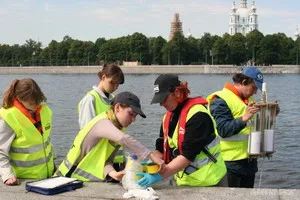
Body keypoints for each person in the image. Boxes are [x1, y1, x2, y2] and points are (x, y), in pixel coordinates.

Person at [136, 74, 227, 188]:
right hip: (183, 180)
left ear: (177, 93)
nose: (161, 104)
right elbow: (161, 149)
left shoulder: (198, 116)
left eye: (164, 99)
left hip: (210, 181)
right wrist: (152, 161)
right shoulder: (167, 117)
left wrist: (159, 175)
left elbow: (187, 156)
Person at [55, 91, 164, 182]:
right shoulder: (103, 123)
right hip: (65, 177)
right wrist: (151, 156)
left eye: (135, 116)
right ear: (117, 107)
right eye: (130, 114)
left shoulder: (117, 128)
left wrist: (113, 173)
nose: (133, 120)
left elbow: (105, 161)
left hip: (77, 179)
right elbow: (123, 139)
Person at [206, 66, 263, 188]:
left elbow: (253, 126)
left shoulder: (249, 100)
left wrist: (271, 113)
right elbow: (223, 130)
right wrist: (244, 118)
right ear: (243, 82)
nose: (255, 92)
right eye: (253, 87)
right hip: (230, 163)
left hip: (249, 162)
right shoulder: (220, 100)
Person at [0, 78, 55, 185]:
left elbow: (46, 142)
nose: (35, 106)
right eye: (31, 104)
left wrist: (54, 166)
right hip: (23, 179)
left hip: (48, 175)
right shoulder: (8, 116)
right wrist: (7, 175)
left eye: (38, 102)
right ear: (19, 99)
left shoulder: (45, 111)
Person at [78, 63, 125, 175]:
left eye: (118, 84)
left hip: (116, 160)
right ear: (103, 77)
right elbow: (87, 134)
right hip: (100, 163)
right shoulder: (90, 100)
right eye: (112, 83)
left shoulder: (115, 100)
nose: (115, 87)